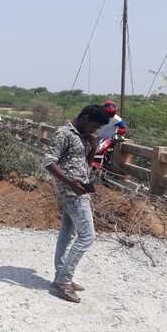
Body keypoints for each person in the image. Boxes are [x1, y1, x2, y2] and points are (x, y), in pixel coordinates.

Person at [41, 104, 110, 303]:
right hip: (71, 191)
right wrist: (70, 182)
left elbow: (85, 165)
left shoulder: (82, 136)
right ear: (86, 118)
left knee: (67, 233)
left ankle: (60, 276)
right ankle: (64, 280)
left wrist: (93, 147)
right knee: (87, 236)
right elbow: (48, 161)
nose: (94, 130)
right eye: (94, 126)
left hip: (79, 188)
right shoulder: (64, 133)